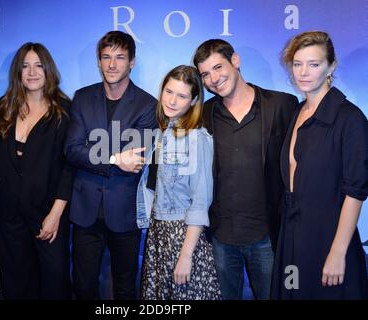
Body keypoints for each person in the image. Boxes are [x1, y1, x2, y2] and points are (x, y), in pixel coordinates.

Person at [193, 39, 298, 300]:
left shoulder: (282, 105)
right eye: (205, 74)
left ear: (236, 61)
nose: (213, 79)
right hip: (220, 238)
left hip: (268, 237)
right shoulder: (202, 114)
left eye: (218, 67)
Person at [272, 31, 368, 300]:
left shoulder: (350, 119)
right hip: (291, 238)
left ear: (331, 66)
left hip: (327, 239)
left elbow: (355, 192)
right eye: (297, 63)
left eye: (314, 64)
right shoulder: (298, 112)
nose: (303, 72)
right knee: (291, 292)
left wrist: (338, 252)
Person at [65, 31, 157, 300]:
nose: (112, 64)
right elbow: (72, 150)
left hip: (124, 211)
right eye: (106, 57)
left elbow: (135, 158)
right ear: (98, 61)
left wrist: (94, 152)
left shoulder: (147, 105)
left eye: (120, 57)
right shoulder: (82, 98)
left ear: (132, 62)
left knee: (126, 287)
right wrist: (116, 158)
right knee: (83, 287)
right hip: (85, 211)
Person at [0, 42, 73, 299]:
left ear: (48, 70)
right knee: (15, 282)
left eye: (38, 65)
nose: (32, 72)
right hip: (8, 214)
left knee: (54, 283)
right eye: (25, 66)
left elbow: (69, 167)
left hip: (47, 213)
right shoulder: (4, 107)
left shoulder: (64, 111)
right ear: (18, 72)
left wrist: (56, 214)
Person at [137, 65, 221, 300]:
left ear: (194, 100)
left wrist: (185, 255)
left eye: (182, 95)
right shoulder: (164, 133)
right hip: (159, 234)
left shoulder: (197, 138)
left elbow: (200, 201)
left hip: (183, 237)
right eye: (169, 91)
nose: (172, 101)